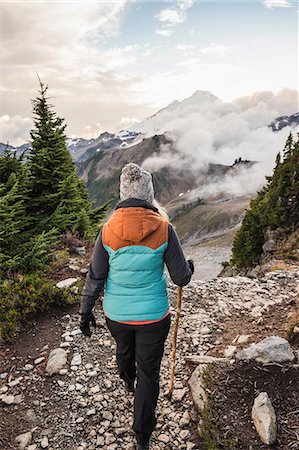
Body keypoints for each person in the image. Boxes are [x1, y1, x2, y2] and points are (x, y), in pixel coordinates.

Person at [80, 162, 194, 450]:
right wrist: (189, 268)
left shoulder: (107, 231)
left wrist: (85, 311)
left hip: (116, 315)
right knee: (150, 373)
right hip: (154, 317)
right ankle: (142, 436)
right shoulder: (165, 229)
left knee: (124, 349)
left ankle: (126, 379)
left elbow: (96, 275)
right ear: (149, 195)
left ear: (123, 194)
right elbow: (181, 278)